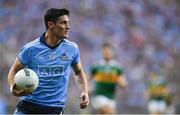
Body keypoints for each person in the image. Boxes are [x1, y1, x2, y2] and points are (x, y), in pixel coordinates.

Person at [7, 8, 89, 114]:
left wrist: (84, 91)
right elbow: (14, 70)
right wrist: (12, 87)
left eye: (67, 23)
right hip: (29, 104)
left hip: (54, 108)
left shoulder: (72, 48)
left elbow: (78, 72)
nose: (68, 27)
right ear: (51, 25)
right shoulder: (31, 48)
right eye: (64, 23)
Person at [89, 42, 128, 114]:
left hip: (111, 98)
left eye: (108, 51)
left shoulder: (117, 67)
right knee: (110, 112)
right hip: (99, 96)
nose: (106, 52)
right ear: (101, 52)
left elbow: (123, 84)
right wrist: (88, 89)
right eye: (104, 50)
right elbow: (87, 79)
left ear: (112, 52)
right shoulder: (97, 66)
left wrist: (121, 82)